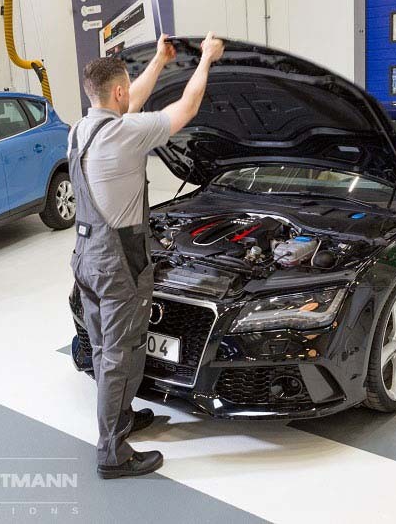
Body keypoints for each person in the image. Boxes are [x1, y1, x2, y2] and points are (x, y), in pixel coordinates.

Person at [69, 32, 224, 479]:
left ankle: (122, 418)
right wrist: (207, 60)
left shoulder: (83, 129)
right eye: (125, 90)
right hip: (117, 263)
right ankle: (113, 453)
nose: (127, 97)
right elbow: (187, 108)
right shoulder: (125, 133)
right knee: (121, 353)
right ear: (116, 91)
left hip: (85, 256)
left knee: (103, 349)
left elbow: (128, 102)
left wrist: (158, 60)